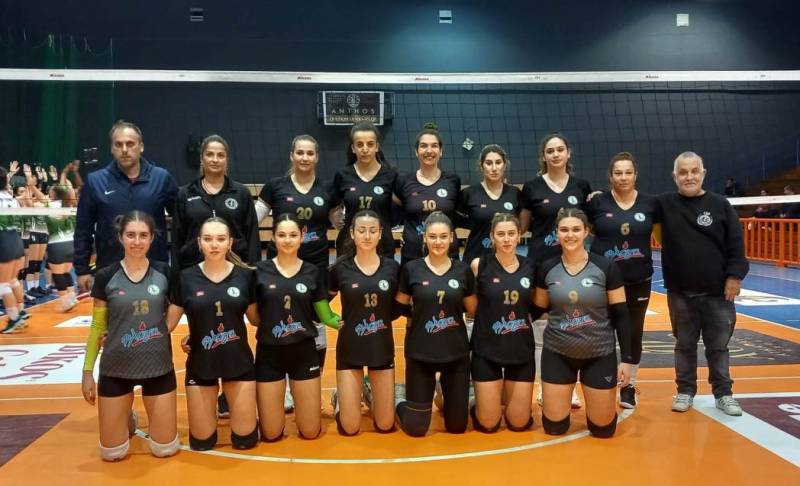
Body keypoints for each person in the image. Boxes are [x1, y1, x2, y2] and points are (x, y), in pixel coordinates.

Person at [80, 211, 179, 461]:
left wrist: (163, 331)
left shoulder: (165, 272)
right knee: (112, 453)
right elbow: (97, 325)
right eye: (131, 235)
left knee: (164, 450)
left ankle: (127, 413)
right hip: (116, 367)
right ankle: (127, 414)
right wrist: (87, 372)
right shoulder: (106, 276)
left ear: (152, 238)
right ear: (121, 237)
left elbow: (178, 308)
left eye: (143, 235)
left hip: (157, 366)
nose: (137, 241)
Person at [659, 152, 749, 416]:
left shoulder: (720, 205)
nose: (689, 177)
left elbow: (736, 245)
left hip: (718, 293)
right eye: (683, 172)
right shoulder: (664, 204)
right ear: (674, 176)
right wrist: (598, 198)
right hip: (680, 293)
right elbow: (630, 204)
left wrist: (734, 276)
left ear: (703, 173)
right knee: (684, 346)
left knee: (718, 347)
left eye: (694, 171)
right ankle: (685, 392)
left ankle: (724, 394)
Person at [533, 208, 633, 438]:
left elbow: (621, 315)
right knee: (554, 428)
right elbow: (537, 309)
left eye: (576, 229)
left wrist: (627, 360)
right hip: (558, 353)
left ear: (586, 232)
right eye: (564, 230)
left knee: (603, 430)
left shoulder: (606, 267)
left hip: (599, 353)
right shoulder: (547, 268)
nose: (570, 235)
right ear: (556, 233)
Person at [257, 135, 338, 412]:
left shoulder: (327, 189)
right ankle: (282, 387)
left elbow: (340, 221)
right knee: (280, 318)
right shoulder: (275, 187)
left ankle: (309, 380)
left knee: (315, 321)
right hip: (279, 267)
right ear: (291, 155)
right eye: (300, 152)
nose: (305, 157)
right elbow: (251, 220)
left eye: (310, 153)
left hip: (315, 266)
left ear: (317, 157)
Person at [167, 217, 260, 451]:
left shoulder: (245, 276)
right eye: (208, 239)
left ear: (230, 242)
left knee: (245, 441)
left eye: (220, 239)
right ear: (199, 242)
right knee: (202, 443)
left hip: (238, 362)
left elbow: (256, 319)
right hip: (201, 364)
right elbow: (167, 324)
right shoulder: (185, 278)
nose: (214, 244)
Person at [520, 133, 592, 407]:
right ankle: (544, 385)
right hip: (542, 265)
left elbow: (590, 223)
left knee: (571, 324)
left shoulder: (581, 187)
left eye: (560, 149)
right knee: (541, 326)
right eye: (550, 151)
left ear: (568, 153)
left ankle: (569, 386)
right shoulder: (532, 187)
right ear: (544, 156)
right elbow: (522, 226)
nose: (555, 154)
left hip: (574, 266)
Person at [253, 213, 340, 441]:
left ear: (302, 237)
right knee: (271, 434)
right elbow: (252, 316)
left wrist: (347, 323)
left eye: (293, 235)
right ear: (273, 237)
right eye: (281, 235)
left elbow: (325, 314)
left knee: (310, 432)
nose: (287, 240)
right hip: (269, 353)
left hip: (304, 351)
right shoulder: (259, 272)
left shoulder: (312, 272)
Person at [586, 152, 659, 409]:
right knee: (601, 331)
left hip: (638, 279)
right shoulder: (597, 203)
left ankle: (628, 386)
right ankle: (602, 379)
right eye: (618, 173)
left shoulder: (651, 204)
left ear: (635, 175)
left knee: (633, 332)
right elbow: (584, 226)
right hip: (603, 282)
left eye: (628, 172)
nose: (623, 177)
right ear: (610, 176)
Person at [394, 212, 477, 437]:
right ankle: (397, 399)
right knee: (416, 428)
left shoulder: (462, 270)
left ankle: (443, 392)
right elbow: (400, 306)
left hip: (455, 354)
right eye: (432, 237)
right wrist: (420, 315)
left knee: (457, 427)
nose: (438, 242)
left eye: (443, 236)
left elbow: (473, 309)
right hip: (421, 354)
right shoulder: (412, 269)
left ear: (451, 238)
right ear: (424, 238)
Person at [74, 120, 178, 293]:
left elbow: (182, 221)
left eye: (130, 144)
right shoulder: (95, 181)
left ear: (141, 146)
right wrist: (82, 270)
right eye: (118, 144)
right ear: (111, 148)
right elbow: (83, 229)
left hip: (155, 272)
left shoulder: (161, 178)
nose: (124, 149)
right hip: (110, 271)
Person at [328, 210, 399, 435]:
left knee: (385, 425)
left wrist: (382, 319)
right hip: (350, 348)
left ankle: (367, 392)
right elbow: (320, 299)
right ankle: (340, 399)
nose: (367, 236)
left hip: (381, 347)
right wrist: (330, 319)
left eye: (372, 231)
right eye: (361, 231)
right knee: (350, 428)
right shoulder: (340, 268)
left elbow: (400, 305)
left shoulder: (393, 268)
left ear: (380, 234)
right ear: (352, 233)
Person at [469, 213, 536, 433]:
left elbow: (538, 305)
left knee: (518, 423)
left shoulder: (531, 266)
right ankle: (474, 400)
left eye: (511, 233)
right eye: (500, 234)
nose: (506, 239)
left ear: (519, 235)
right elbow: (472, 307)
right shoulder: (479, 265)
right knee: (489, 424)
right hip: (487, 348)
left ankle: (501, 397)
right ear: (492, 237)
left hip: (520, 349)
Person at [172, 134, 260, 271]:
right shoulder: (185, 194)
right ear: (201, 159)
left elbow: (252, 237)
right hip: (194, 270)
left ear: (226, 160)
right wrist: (176, 275)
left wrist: (254, 271)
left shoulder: (241, 193)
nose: (215, 160)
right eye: (209, 154)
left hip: (236, 270)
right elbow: (177, 240)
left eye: (220, 155)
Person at [394, 123, 461, 267]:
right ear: (416, 151)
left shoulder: (453, 180)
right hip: (412, 256)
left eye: (434, 146)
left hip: (448, 254)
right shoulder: (403, 181)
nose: (429, 150)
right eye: (423, 146)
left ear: (441, 151)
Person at [332, 123, 398, 259]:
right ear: (353, 148)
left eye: (370, 144)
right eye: (360, 144)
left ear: (377, 147)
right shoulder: (342, 175)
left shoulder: (391, 176)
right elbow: (332, 205)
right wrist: (334, 218)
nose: (365, 149)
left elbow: (404, 205)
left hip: (382, 246)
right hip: (348, 247)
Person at [458, 144, 522, 266]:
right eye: (488, 163)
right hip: (475, 258)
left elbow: (522, 225)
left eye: (498, 162)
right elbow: (455, 221)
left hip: (505, 260)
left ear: (504, 165)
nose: (494, 168)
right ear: (481, 166)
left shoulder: (515, 193)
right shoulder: (468, 193)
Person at [0, 166, 29, 334]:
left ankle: (14, 318)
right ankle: (21, 312)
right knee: (12, 280)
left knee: (2, 285)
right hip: (16, 240)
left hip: (4, 241)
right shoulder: (11, 198)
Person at [46, 181, 79, 312]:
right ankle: (72, 298)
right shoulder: (70, 205)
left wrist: (31, 186)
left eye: (51, 191)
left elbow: (32, 203)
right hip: (71, 243)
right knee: (65, 272)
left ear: (55, 193)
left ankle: (65, 303)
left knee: (57, 274)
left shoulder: (49, 205)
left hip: (57, 244)